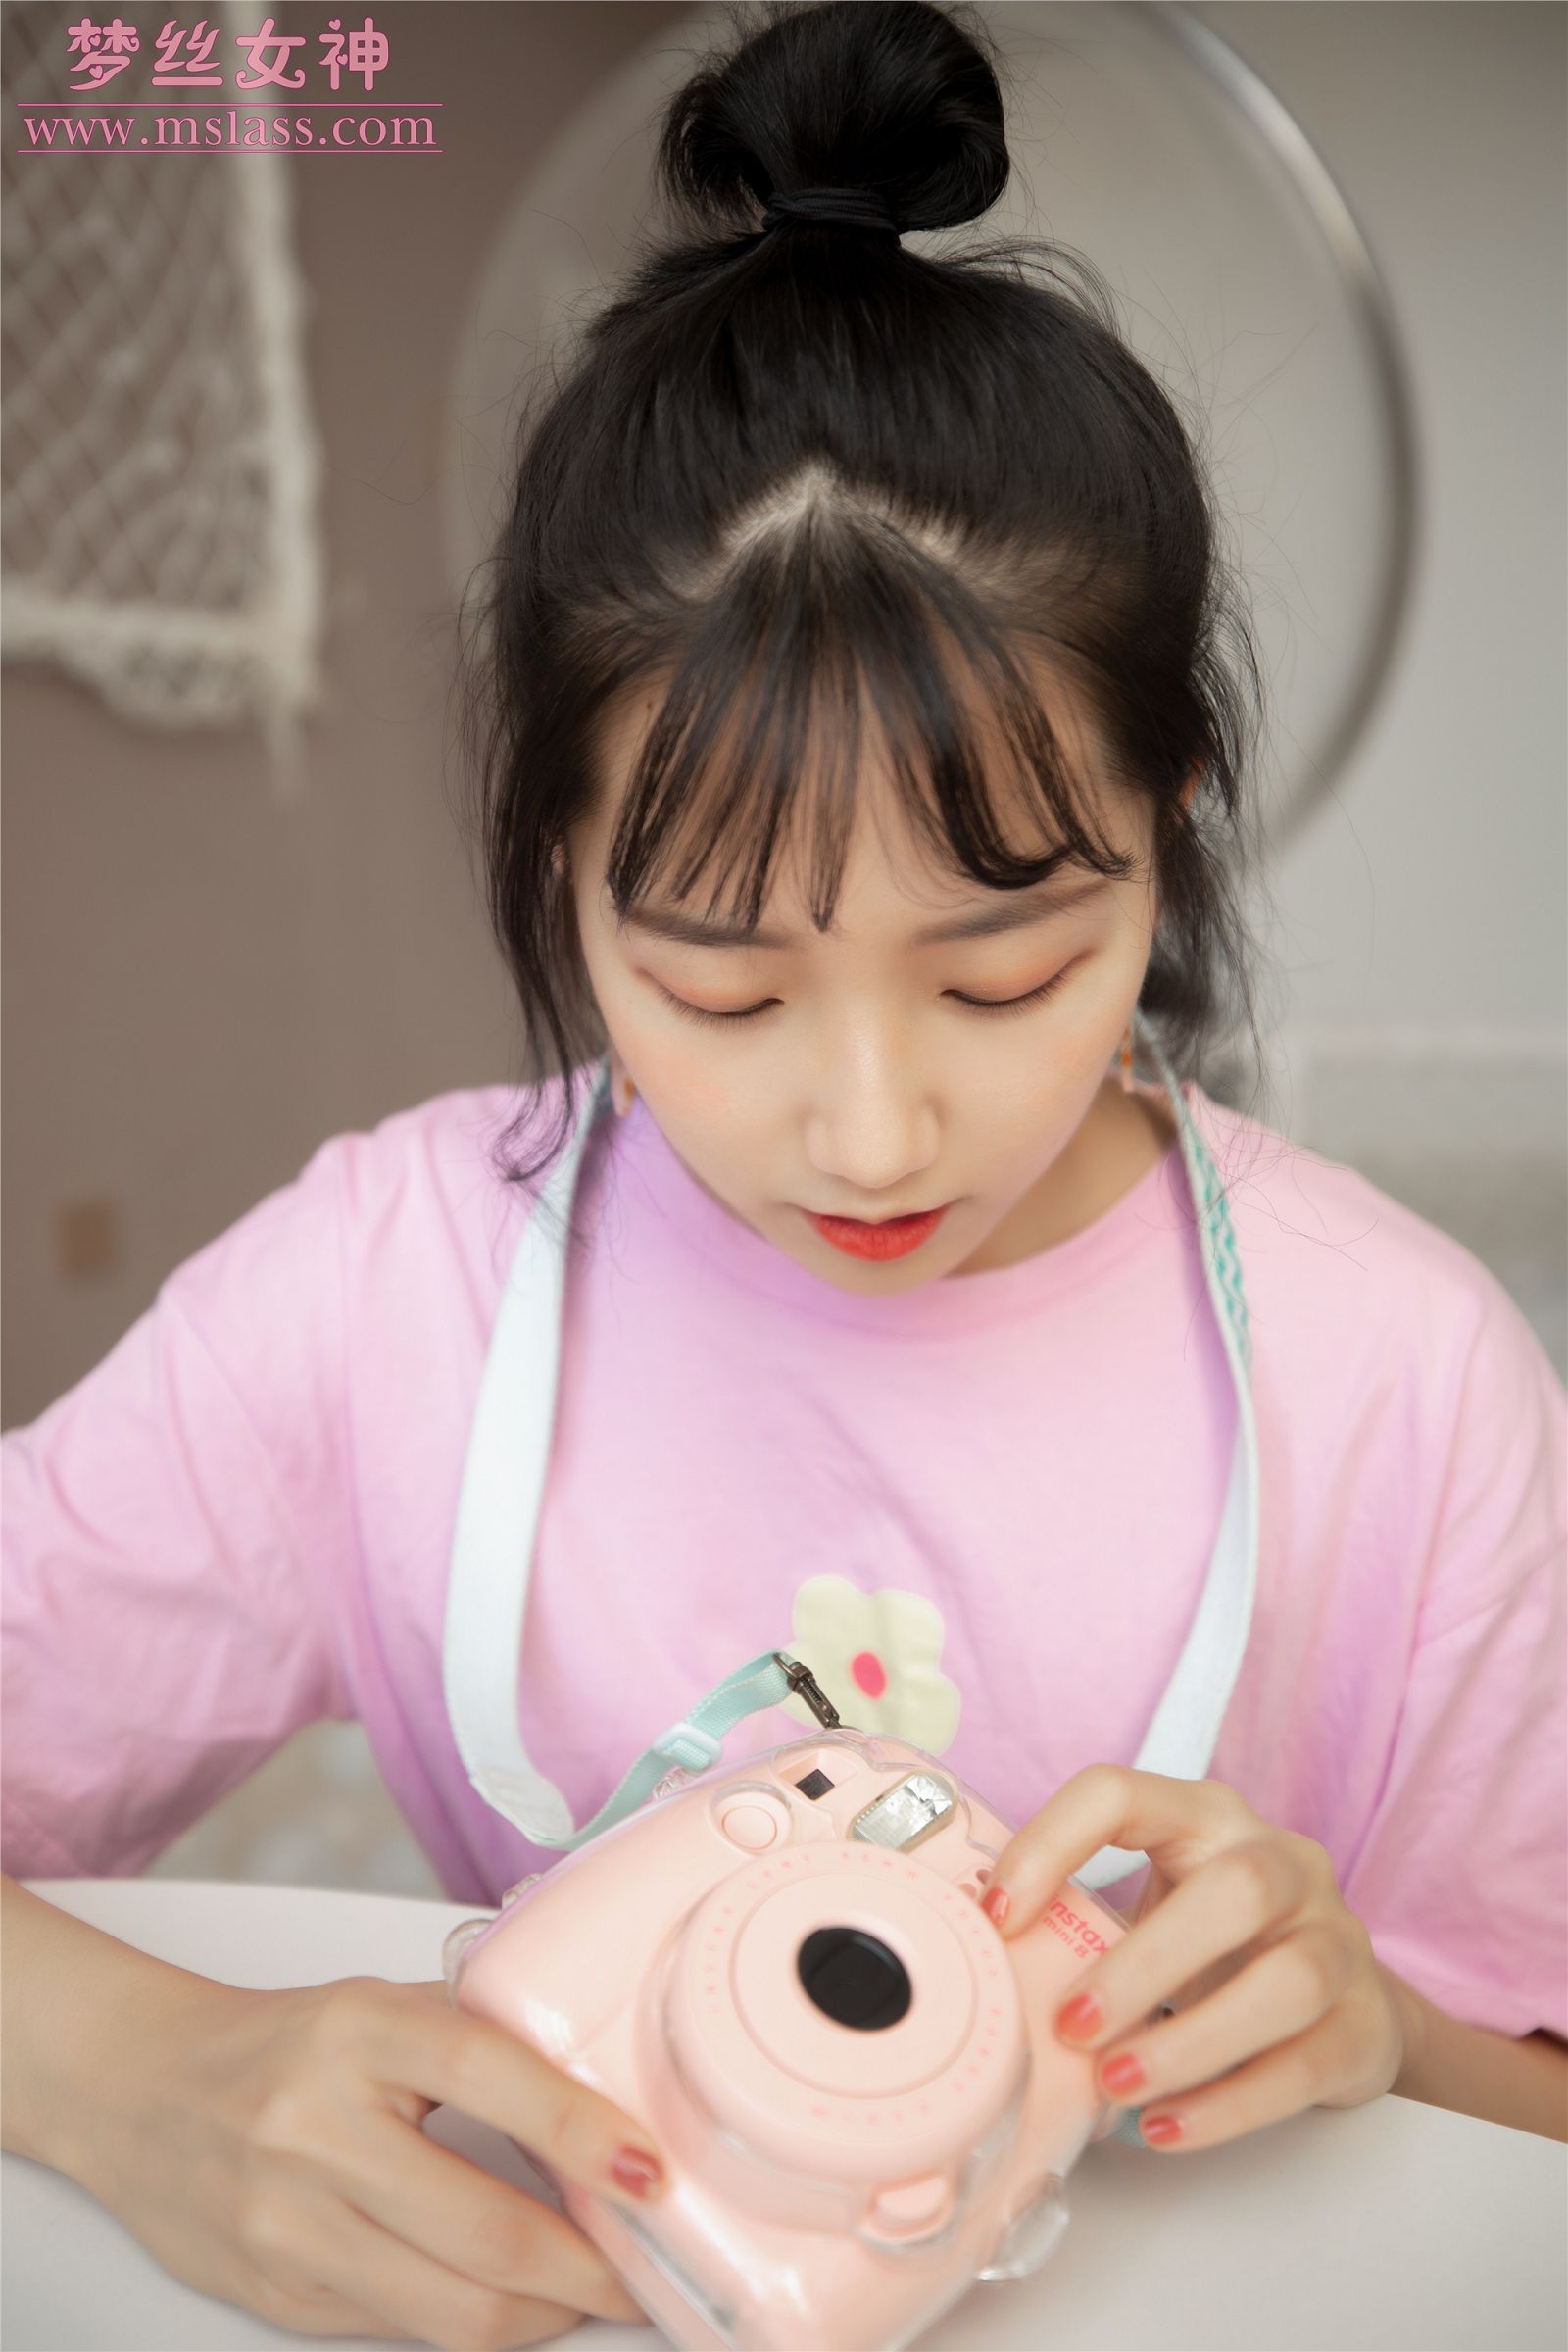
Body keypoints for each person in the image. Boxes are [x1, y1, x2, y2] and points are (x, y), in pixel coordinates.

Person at [4, 1, 1564, 2344]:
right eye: (719, 992)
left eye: (1002, 975)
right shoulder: (388, 1296)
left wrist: (1388, 2037)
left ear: (1165, 836)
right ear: (554, 870)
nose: (868, 1132)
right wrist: (134, 2075)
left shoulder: (1401, 1385)